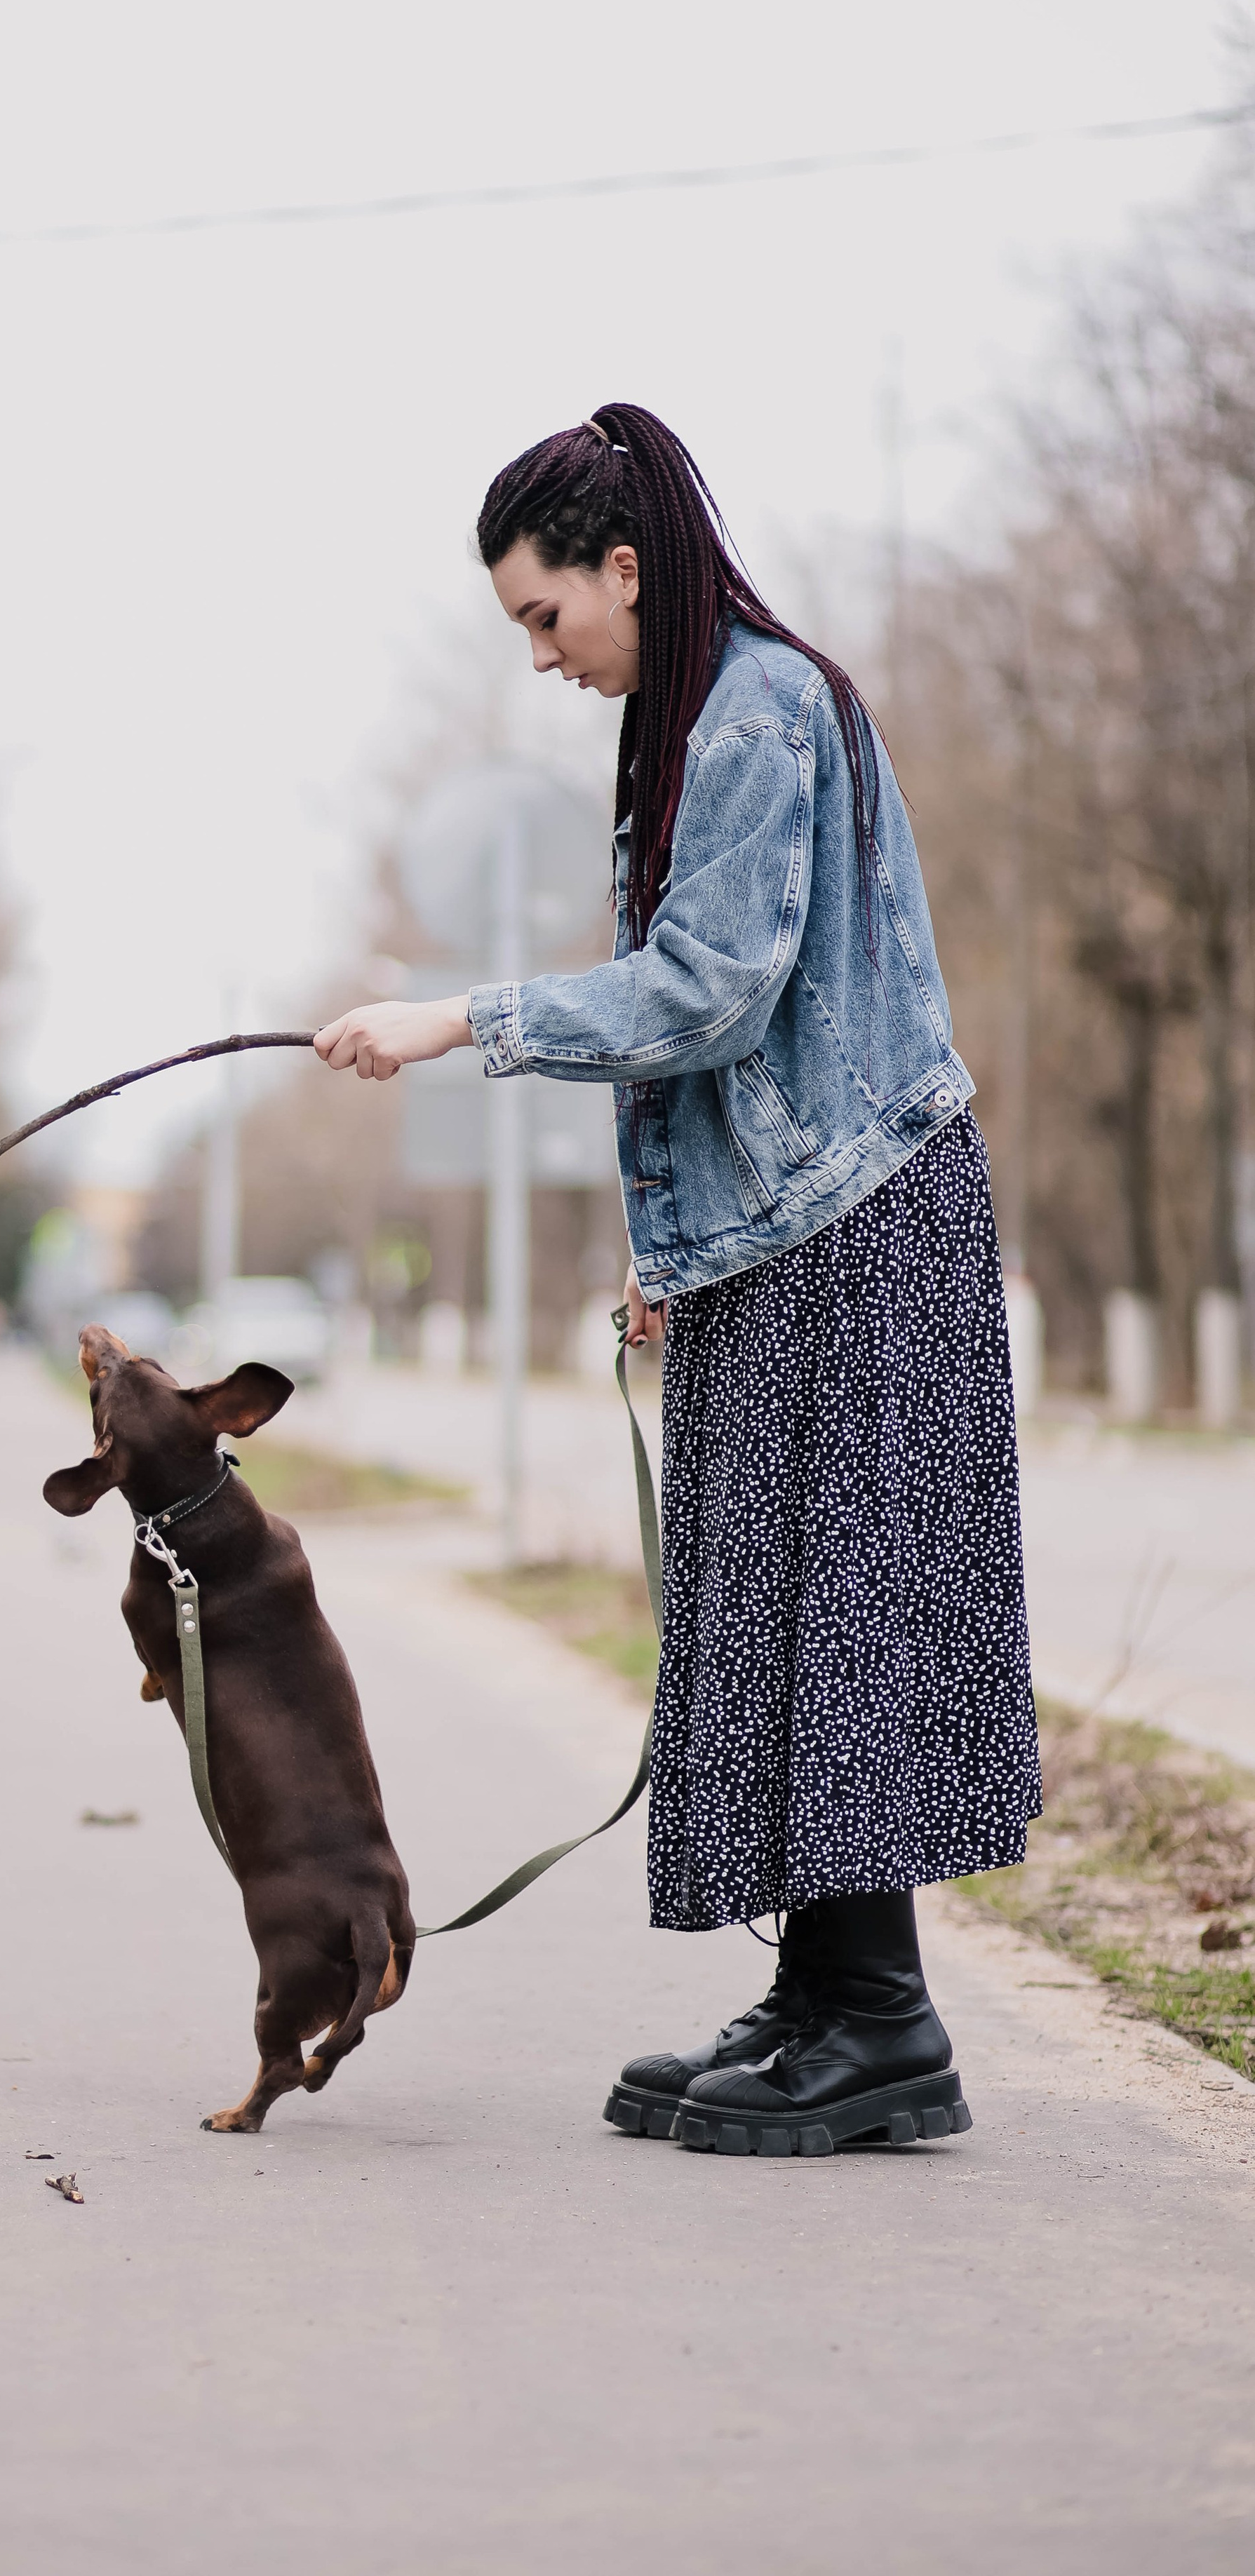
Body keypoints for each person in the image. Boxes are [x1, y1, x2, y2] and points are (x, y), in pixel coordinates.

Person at [314, 403, 1039, 2157]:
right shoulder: (699, 714)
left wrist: (457, 1018)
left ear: (621, 570)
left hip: (860, 1225)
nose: (543, 659)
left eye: (543, 618)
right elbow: (723, 1033)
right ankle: (824, 1998)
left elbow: (705, 993)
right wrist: (671, 1251)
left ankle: (879, 2025)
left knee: (841, 1618)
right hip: (791, 1234)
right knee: (782, 1619)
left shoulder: (758, 715)